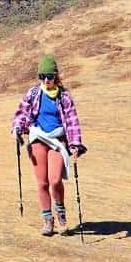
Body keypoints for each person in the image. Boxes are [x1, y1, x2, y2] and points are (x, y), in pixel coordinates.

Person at [11, 55, 87, 236]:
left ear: (56, 76)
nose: (46, 80)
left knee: (54, 180)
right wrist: (17, 128)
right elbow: (22, 113)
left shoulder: (64, 97)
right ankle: (47, 220)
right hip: (38, 138)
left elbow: (72, 121)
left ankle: (61, 215)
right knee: (42, 182)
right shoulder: (33, 93)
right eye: (42, 76)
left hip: (57, 140)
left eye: (50, 76)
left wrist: (75, 143)